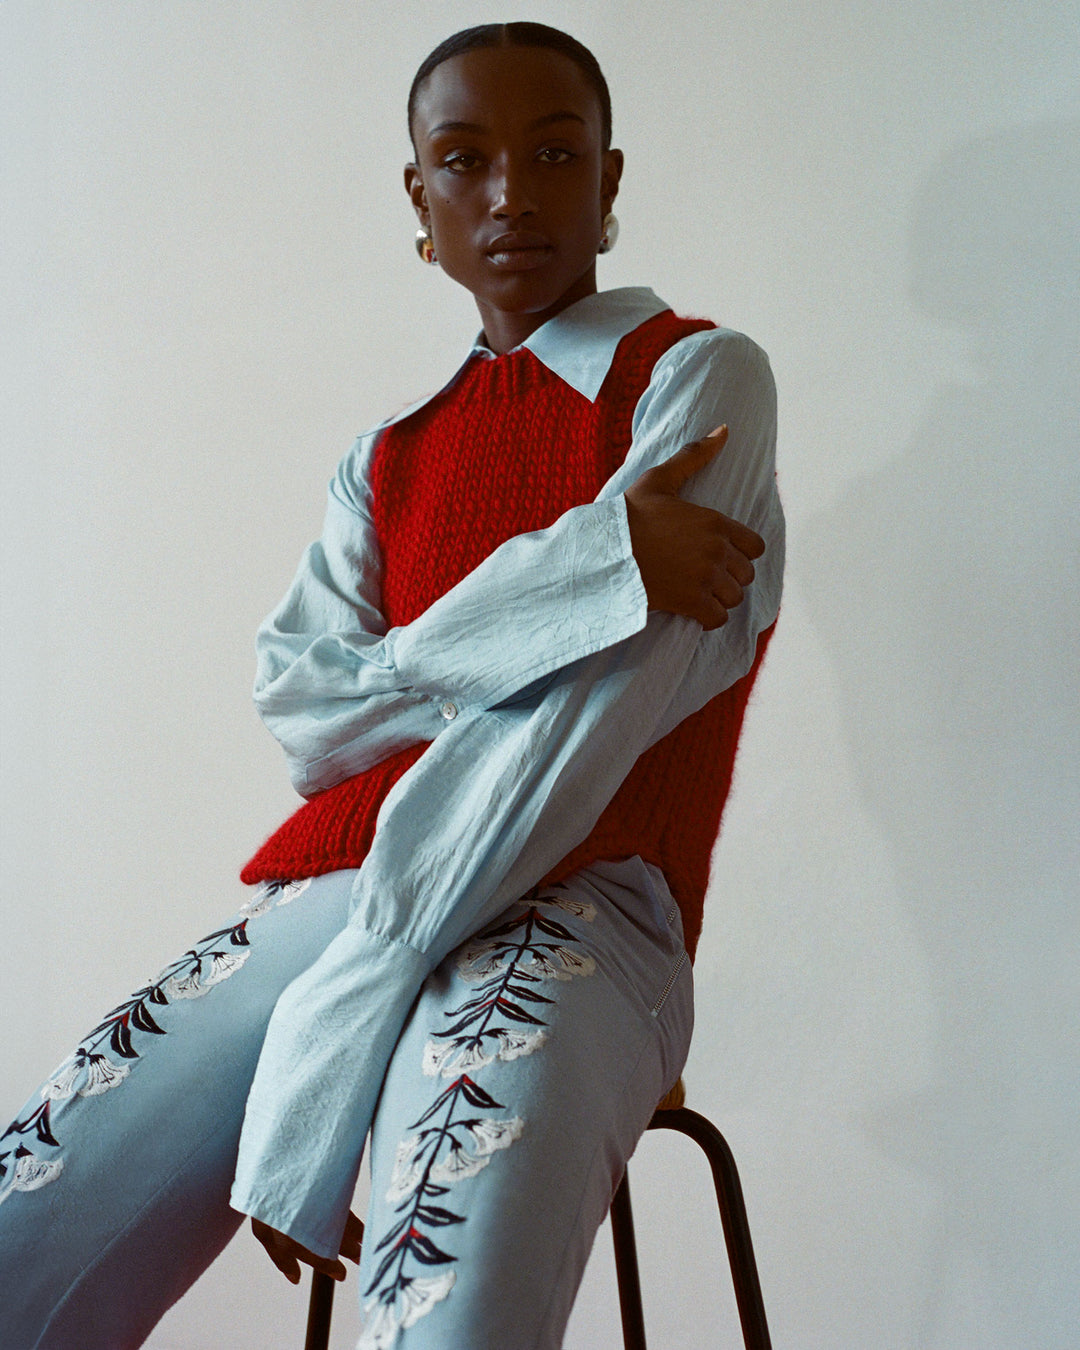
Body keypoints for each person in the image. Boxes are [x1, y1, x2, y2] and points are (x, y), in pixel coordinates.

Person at [0, 22, 783, 1350]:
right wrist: (589, 569)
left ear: (610, 178)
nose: (511, 193)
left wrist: (354, 992)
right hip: (337, 902)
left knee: (443, 1297)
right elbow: (302, 711)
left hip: (585, 898)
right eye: (464, 160)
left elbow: (580, 730)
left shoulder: (701, 380)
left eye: (553, 154)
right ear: (418, 199)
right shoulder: (388, 460)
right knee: (38, 1203)